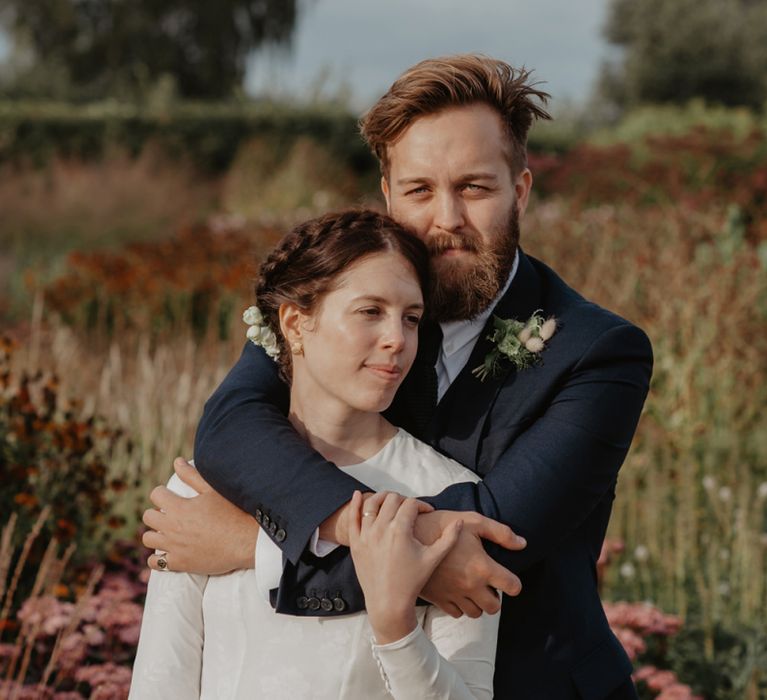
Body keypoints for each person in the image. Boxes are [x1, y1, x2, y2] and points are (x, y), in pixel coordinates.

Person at [144, 55, 653, 699]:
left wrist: (254, 546)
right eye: (419, 190)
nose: (446, 219)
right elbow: (231, 427)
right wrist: (351, 535)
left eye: (474, 187)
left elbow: (489, 542)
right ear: (387, 193)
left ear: (520, 190)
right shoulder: (342, 305)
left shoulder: (599, 352)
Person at [132, 210, 507, 699]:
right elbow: (160, 685)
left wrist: (397, 630)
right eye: (370, 311)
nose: (397, 338)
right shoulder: (203, 492)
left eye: (410, 318)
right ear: (295, 323)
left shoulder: (449, 496)